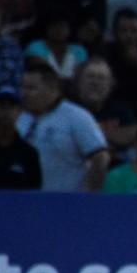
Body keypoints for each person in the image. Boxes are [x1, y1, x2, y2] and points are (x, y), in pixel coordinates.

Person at [17, 62, 110, 192]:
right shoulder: (20, 118)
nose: (24, 93)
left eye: (31, 88)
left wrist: (91, 196)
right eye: (22, 88)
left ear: (50, 88)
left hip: (65, 203)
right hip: (26, 202)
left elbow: (100, 157)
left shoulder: (76, 116)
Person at [73, 57, 137, 165]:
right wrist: (111, 140)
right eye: (90, 77)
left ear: (111, 85)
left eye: (101, 78)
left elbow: (133, 134)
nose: (95, 83)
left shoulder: (120, 110)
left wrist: (88, 139)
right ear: (78, 81)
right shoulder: (68, 110)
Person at [23, 9, 89, 85]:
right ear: (46, 27)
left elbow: (79, 79)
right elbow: (45, 77)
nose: (59, 30)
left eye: (62, 26)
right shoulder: (35, 47)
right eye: (54, 26)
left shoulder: (79, 51)